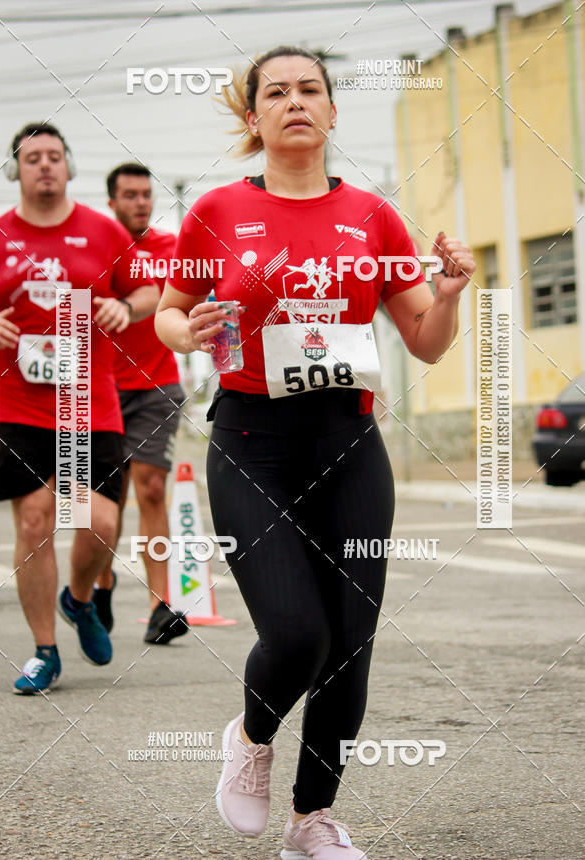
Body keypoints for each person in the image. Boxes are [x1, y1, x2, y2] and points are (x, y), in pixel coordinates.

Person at [155, 47, 475, 859]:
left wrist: (447, 297)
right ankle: (250, 737)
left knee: (350, 643)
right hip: (251, 442)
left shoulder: (373, 216)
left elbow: (425, 341)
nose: (294, 101)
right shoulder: (218, 210)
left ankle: (312, 821)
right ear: (253, 117)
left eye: (310, 90)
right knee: (298, 634)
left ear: (333, 111)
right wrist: (186, 331)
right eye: (276, 92)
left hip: (349, 443)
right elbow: (169, 310)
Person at [0, 122, 158, 694]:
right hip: (16, 400)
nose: (44, 165)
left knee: (100, 522)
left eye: (54, 155)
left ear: (68, 166)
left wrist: (126, 309)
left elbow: (149, 289)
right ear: (15, 169)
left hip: (87, 400)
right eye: (32, 156)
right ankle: (44, 652)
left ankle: (79, 600)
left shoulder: (102, 231)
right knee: (35, 519)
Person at [92, 163, 188, 645]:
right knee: (107, 498)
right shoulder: (95, 248)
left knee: (151, 488)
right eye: (129, 195)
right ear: (112, 202)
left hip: (157, 386)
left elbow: (184, 297)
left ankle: (159, 607)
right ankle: (101, 582)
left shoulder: (172, 249)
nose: (141, 202)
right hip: (101, 388)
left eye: (146, 194)